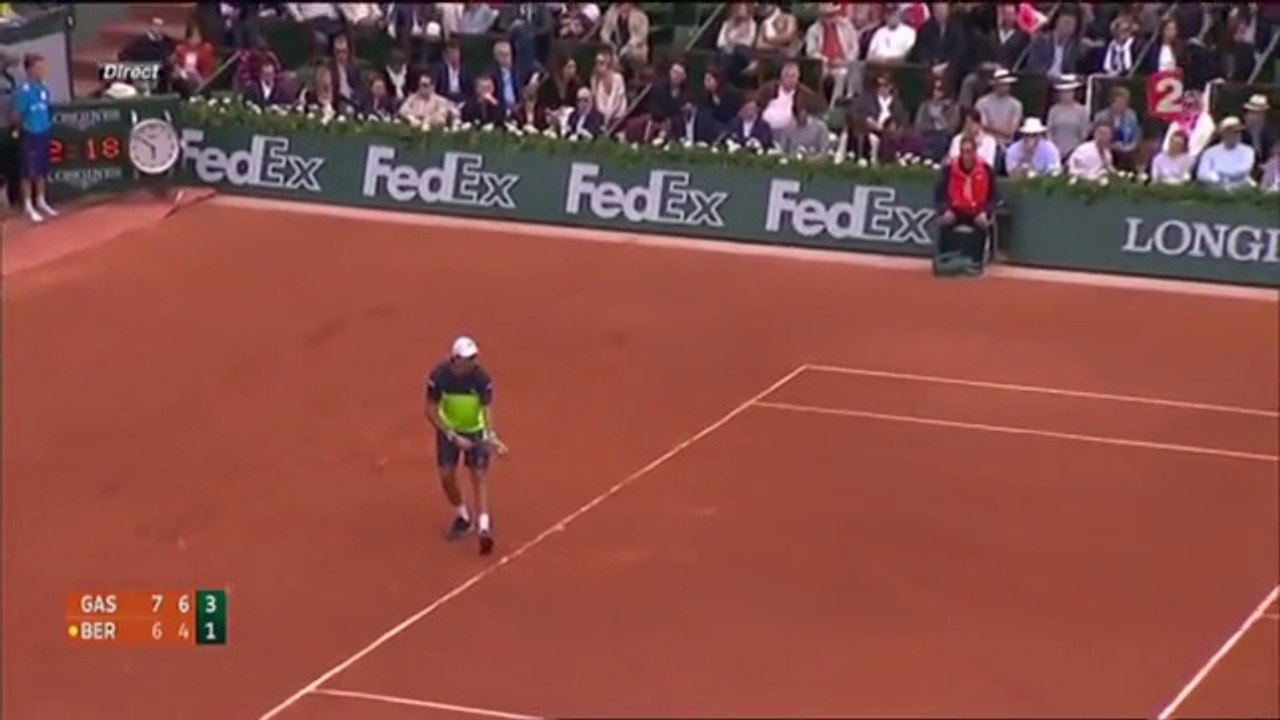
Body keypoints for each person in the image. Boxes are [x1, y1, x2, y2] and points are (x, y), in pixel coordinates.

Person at [426, 336, 499, 556]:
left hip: (474, 430)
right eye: (468, 359)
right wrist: (451, 434)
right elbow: (430, 409)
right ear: (455, 360)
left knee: (478, 475)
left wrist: (487, 433)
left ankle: (484, 526)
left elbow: (486, 409)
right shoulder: (439, 377)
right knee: (446, 476)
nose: (473, 362)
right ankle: (463, 517)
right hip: (449, 432)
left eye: (474, 358)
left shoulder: (482, 379)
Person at [934, 135, 999, 276]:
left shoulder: (987, 170)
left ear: (975, 153)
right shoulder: (949, 169)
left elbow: (994, 197)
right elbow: (940, 194)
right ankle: (944, 261)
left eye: (969, 152)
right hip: (955, 209)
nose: (966, 155)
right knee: (945, 222)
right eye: (963, 151)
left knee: (982, 223)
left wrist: (985, 212)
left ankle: (976, 263)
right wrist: (945, 209)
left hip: (977, 210)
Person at [13, 53, 56, 223]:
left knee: (41, 169)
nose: (43, 70)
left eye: (43, 67)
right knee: (27, 172)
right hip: (29, 135)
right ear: (30, 69)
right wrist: (22, 129)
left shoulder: (44, 90)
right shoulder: (23, 91)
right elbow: (16, 115)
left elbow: (48, 110)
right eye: (39, 67)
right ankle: (28, 205)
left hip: (43, 133)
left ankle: (41, 200)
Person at [1196, 117, 1257, 191]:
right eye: (1232, 132)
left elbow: (1243, 170)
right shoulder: (1210, 152)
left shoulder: (1248, 151)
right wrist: (1216, 179)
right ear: (1223, 134)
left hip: (1241, 187)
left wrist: (1220, 173)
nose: (1236, 135)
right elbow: (1202, 173)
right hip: (1215, 188)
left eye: (1238, 132)